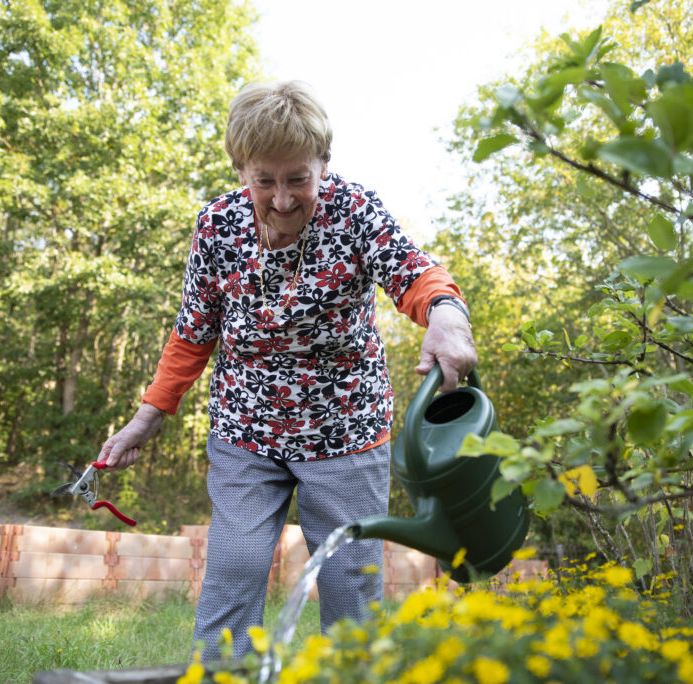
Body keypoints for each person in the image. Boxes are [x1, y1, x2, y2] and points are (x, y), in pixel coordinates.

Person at [98, 80, 477, 660]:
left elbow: (412, 271)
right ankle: (222, 677)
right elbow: (193, 330)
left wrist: (447, 314)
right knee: (234, 568)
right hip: (246, 428)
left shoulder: (356, 212)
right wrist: (148, 417)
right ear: (241, 168)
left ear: (324, 164)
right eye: (264, 180)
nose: (280, 198)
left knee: (352, 585)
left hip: (345, 429)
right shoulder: (218, 227)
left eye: (298, 178)